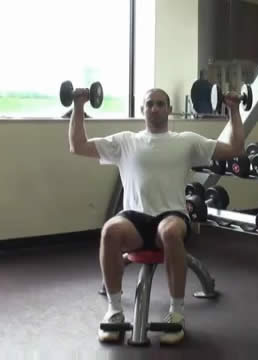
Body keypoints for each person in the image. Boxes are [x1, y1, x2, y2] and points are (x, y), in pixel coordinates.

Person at [68, 86, 244, 344]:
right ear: (142, 109)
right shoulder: (125, 141)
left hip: (172, 214)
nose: (155, 108)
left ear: (169, 109)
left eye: (161, 104)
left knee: (169, 232)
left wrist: (234, 110)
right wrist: (79, 106)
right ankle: (115, 312)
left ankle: (176, 314)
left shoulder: (186, 140)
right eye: (150, 104)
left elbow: (233, 148)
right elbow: (78, 146)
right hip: (134, 219)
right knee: (109, 231)